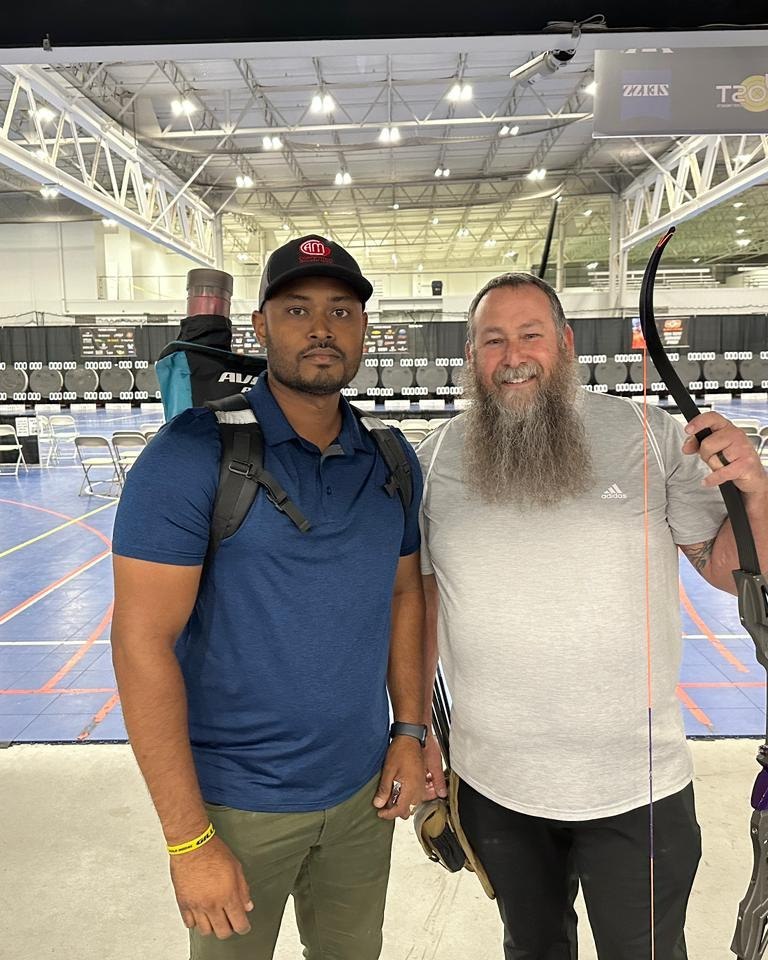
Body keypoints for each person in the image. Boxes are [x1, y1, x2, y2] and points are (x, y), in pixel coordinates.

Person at [417, 272, 768, 960]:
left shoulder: (650, 435)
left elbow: (731, 572)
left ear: (566, 345)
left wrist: (754, 493)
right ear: (472, 357)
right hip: (497, 786)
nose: (513, 355)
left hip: (636, 785)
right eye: (493, 340)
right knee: (532, 948)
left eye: (530, 335)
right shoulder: (433, 461)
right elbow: (420, 609)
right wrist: (420, 733)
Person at [111, 234, 428, 960]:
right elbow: (139, 644)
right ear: (259, 326)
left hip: (361, 797)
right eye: (297, 310)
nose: (322, 328)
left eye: (342, 311)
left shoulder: (390, 456)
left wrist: (409, 732)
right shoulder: (190, 456)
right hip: (235, 809)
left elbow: (406, 592)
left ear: (363, 330)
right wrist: (189, 840)